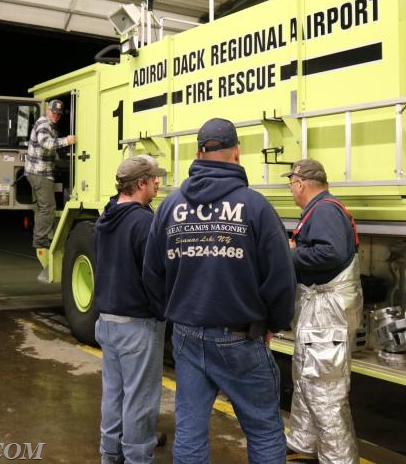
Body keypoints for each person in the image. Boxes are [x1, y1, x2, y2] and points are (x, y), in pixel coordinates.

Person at [142, 118, 296, 463]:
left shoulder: (169, 206)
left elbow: (151, 273)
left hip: (186, 333)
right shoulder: (255, 207)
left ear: (199, 152)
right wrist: (274, 322)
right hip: (240, 338)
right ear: (237, 154)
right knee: (264, 430)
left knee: (191, 432)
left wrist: (174, 310)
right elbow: (281, 280)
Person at [283, 159, 363, 464]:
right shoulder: (321, 209)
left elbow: (330, 252)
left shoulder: (326, 210)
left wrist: (291, 253)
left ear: (301, 184)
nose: (291, 189)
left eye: (291, 183)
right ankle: (304, 442)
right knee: (306, 377)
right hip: (320, 310)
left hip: (326, 313)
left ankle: (339, 459)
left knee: (325, 390)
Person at [95, 155, 167, 464]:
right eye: (154, 180)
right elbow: (154, 275)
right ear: (140, 184)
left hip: (107, 321)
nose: (158, 185)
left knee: (114, 393)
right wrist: (163, 308)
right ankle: (138, 457)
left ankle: (110, 453)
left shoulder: (107, 216)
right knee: (140, 399)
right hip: (136, 324)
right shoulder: (144, 222)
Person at [24, 99, 76, 248]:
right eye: (54, 113)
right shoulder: (43, 124)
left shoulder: (51, 126)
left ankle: (43, 237)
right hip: (39, 173)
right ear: (48, 111)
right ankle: (40, 240)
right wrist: (67, 140)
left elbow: (51, 151)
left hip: (42, 172)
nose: (56, 116)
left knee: (45, 206)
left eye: (59, 114)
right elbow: (46, 144)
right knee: (48, 207)